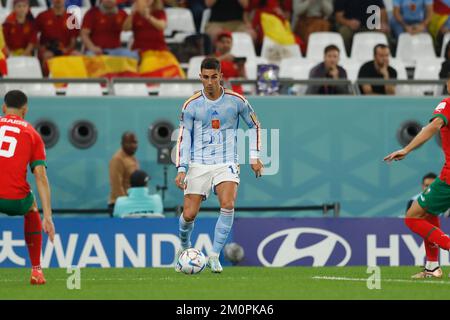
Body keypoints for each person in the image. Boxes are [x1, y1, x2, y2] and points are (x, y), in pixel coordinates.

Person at [174, 57, 263, 273]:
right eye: (206, 77)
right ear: (200, 78)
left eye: (214, 77)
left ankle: (214, 255)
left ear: (221, 76)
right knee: (189, 215)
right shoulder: (191, 105)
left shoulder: (237, 101)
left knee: (228, 203)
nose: (210, 81)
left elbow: (255, 125)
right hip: (198, 163)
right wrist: (182, 168)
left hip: (226, 161)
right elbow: (184, 138)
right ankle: (184, 248)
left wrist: (254, 155)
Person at [384, 80, 450, 278]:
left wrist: (406, 149)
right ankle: (432, 267)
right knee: (428, 213)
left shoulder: (447, 104)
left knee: (412, 216)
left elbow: (434, 125)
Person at [0, 90, 55, 285]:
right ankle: (36, 270)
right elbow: (40, 175)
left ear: (4, 107)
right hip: (14, 199)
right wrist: (47, 217)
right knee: (31, 209)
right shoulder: (32, 134)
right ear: (25, 110)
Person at [35, 0, 80, 75]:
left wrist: (67, 49)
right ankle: (46, 82)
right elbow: (34, 36)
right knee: (47, 56)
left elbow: (73, 40)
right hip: (47, 49)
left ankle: (73, 83)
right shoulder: (42, 16)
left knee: (76, 55)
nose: (58, 1)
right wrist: (41, 48)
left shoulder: (71, 17)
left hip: (65, 49)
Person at [108, 131, 139, 212]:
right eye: (129, 143)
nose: (133, 145)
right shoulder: (117, 159)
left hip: (131, 203)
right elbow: (116, 185)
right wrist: (125, 204)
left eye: (135, 142)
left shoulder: (132, 158)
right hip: (119, 205)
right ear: (122, 143)